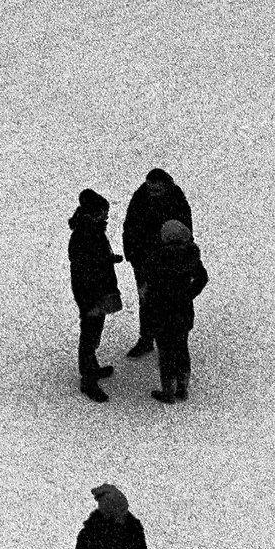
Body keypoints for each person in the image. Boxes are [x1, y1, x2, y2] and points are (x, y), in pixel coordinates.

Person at [121, 168, 194, 359]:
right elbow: (129, 226)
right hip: (144, 261)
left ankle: (168, 340)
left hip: (167, 261)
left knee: (167, 300)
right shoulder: (140, 196)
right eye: (151, 190)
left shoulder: (177, 199)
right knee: (146, 300)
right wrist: (132, 254)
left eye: (157, 191)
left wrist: (182, 257)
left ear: (166, 186)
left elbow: (185, 229)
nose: (153, 194)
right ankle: (146, 339)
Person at [139, 221, 210, 402]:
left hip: (161, 310)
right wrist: (188, 294)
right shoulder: (191, 255)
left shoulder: (157, 257)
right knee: (181, 348)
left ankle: (168, 391)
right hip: (182, 310)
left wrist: (149, 301)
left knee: (165, 351)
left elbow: (147, 282)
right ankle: (182, 388)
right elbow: (202, 277)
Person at [66, 190, 123, 402]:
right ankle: (88, 379)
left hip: (96, 293)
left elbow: (94, 261)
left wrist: (109, 259)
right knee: (89, 337)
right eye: (103, 212)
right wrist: (90, 303)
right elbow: (83, 273)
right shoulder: (84, 236)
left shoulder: (92, 231)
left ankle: (92, 368)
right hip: (91, 296)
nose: (107, 216)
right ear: (93, 213)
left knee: (94, 333)